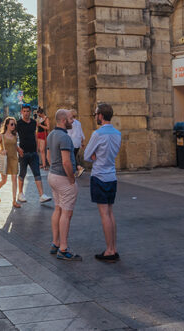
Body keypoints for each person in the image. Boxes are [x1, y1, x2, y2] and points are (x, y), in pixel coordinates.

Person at [83, 102, 121, 262]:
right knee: (110, 213)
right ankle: (114, 247)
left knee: (104, 214)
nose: (95, 116)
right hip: (112, 175)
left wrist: (94, 156)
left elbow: (86, 155)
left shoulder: (98, 134)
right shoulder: (117, 133)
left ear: (101, 115)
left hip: (99, 176)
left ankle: (109, 250)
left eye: (96, 114)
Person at [46, 108, 80, 261]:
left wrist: (55, 166)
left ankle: (55, 243)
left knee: (58, 209)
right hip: (63, 178)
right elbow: (66, 161)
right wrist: (72, 178)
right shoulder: (65, 138)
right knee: (66, 212)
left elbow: (48, 155)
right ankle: (63, 249)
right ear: (63, 120)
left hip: (53, 175)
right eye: (71, 118)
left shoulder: (51, 135)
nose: (73, 121)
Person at [15, 105, 52, 204]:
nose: (26, 113)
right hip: (23, 153)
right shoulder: (18, 123)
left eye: (28, 111)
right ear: (21, 112)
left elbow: (34, 135)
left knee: (37, 173)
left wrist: (36, 149)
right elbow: (12, 136)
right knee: (22, 173)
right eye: (24, 111)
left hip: (33, 153)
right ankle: (20, 193)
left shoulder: (33, 123)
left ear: (30, 112)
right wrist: (17, 149)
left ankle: (42, 195)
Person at [0, 117, 21, 207]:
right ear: (7, 125)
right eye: (11, 124)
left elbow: (15, 145)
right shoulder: (1, 135)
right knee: (4, 180)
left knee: (14, 179)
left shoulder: (15, 134)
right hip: (5, 159)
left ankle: (14, 200)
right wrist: (1, 151)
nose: (13, 126)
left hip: (14, 159)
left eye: (14, 124)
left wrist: (19, 149)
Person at [69, 109, 85, 176]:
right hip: (78, 143)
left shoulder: (70, 123)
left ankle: (79, 168)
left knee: (71, 158)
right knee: (73, 157)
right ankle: (75, 171)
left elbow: (69, 133)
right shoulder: (78, 123)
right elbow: (81, 134)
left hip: (72, 142)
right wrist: (82, 142)